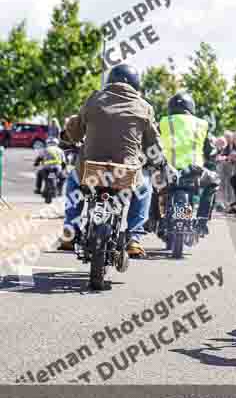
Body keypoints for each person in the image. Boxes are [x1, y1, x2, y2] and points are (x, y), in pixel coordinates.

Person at [59, 63, 163, 258]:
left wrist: (66, 137)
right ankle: (133, 238)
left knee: (74, 180)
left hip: (92, 171)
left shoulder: (94, 99)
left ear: (109, 81)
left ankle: (69, 230)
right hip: (126, 174)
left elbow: (76, 131)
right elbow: (153, 143)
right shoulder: (144, 107)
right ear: (135, 83)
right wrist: (158, 160)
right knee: (145, 186)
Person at [158, 93, 221, 236]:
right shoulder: (201, 124)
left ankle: (154, 220)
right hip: (194, 172)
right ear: (191, 107)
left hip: (168, 171)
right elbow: (210, 150)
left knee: (153, 188)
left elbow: (153, 144)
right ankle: (202, 222)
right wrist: (212, 159)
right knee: (214, 182)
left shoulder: (163, 122)